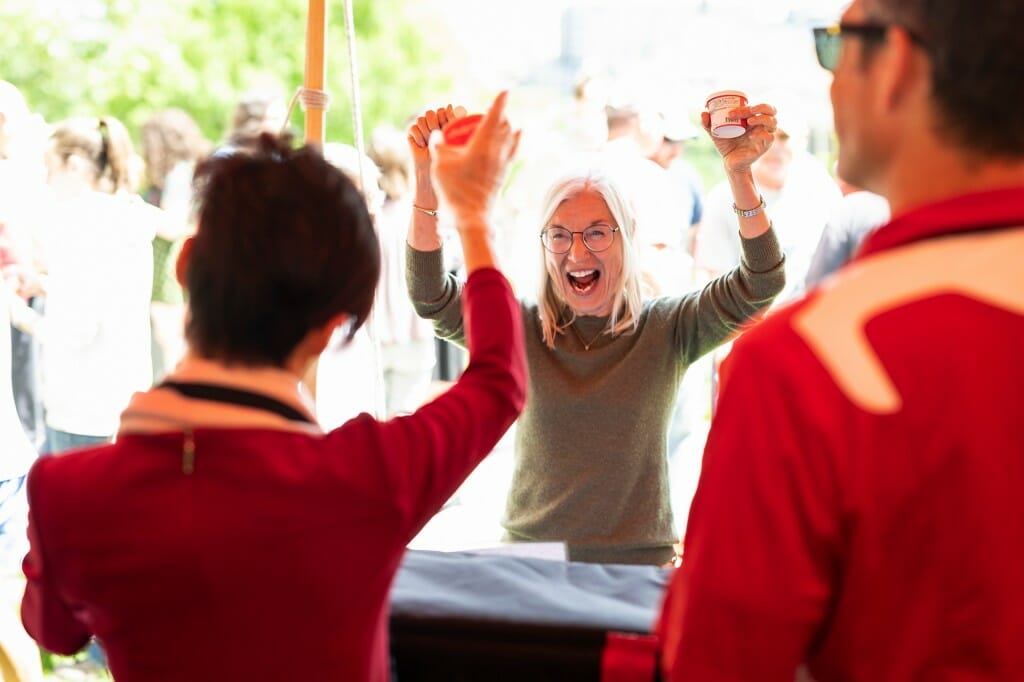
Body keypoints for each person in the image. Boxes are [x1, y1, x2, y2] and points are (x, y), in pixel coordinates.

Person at [20, 91, 525, 682]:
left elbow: (53, 629)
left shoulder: (69, 494)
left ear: (185, 265)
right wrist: (472, 215)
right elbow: (500, 381)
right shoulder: (369, 475)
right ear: (334, 326)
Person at [658, 0, 1024, 679]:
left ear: (896, 65)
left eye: (835, 43)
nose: (827, 78)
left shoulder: (808, 366)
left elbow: (719, 663)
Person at [407, 98, 786, 565]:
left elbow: (761, 283)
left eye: (597, 233)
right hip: (533, 565)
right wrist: (426, 180)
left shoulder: (667, 327)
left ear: (627, 237)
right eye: (560, 235)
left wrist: (740, 175)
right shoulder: (519, 328)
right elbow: (430, 294)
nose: (577, 253)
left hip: (637, 569)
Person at [7, 116, 159, 454]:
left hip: (82, 407)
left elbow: (76, 331)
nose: (46, 181)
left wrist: (20, 316)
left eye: (49, 168)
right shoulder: (125, 218)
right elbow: (106, 299)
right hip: (119, 398)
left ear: (73, 165)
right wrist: (49, 286)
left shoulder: (83, 229)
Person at [139, 108, 211, 380]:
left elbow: (172, 225)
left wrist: (137, 210)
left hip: (168, 258)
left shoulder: (180, 173)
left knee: (168, 337)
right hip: (172, 256)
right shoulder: (185, 170)